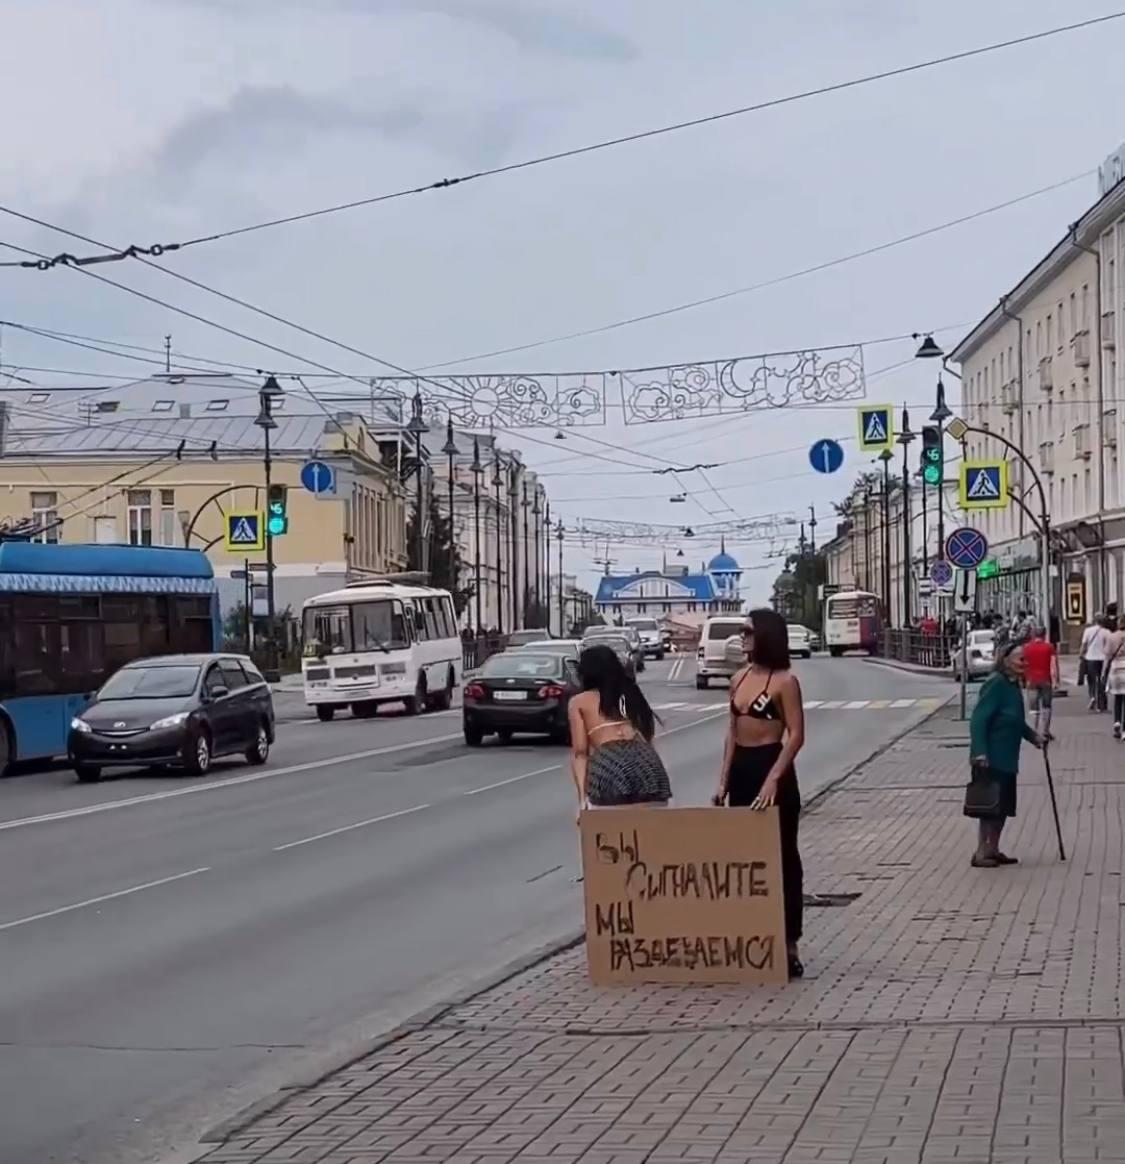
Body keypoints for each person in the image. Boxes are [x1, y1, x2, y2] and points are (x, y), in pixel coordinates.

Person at [712, 608, 806, 979]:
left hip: (772, 765)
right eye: (742, 631)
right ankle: (753, 937)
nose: (742, 637)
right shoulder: (738, 678)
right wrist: (723, 780)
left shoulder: (785, 682)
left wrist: (773, 779)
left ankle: (789, 942)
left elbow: (796, 735)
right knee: (747, 858)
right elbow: (731, 732)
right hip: (742, 769)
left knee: (783, 857)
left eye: (748, 631)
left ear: (765, 635)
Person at [569, 643, 670, 818]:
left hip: (609, 763)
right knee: (650, 827)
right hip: (647, 763)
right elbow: (648, 737)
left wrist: (582, 801)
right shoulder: (632, 693)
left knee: (611, 828)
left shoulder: (579, 702)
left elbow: (580, 754)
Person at [968, 643, 1043, 867]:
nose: (1024, 663)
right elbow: (979, 719)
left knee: (1002, 807)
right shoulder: (996, 684)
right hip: (991, 756)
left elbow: (1015, 720)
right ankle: (981, 852)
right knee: (989, 807)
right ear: (1006, 660)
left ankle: (993, 849)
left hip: (1008, 757)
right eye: (1021, 659)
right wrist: (980, 751)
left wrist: (1034, 737)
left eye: (1025, 660)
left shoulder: (1012, 685)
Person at [1022, 625, 1058, 742]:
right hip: (1046, 680)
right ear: (1044, 634)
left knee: (1033, 708)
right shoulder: (1049, 647)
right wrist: (1055, 680)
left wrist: (1024, 678)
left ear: (1033, 634)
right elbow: (1053, 665)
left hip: (1031, 680)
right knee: (1047, 706)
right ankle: (1045, 731)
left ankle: (1034, 732)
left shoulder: (1026, 648)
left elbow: (1023, 664)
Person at [1080, 613, 1110, 711]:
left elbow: (1084, 645)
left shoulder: (1088, 631)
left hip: (1090, 658)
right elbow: (1109, 646)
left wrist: (1081, 654)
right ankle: (1102, 704)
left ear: (1094, 620)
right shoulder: (1107, 632)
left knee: (1092, 679)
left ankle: (1092, 696)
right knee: (1102, 680)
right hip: (1103, 659)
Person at [1105, 617, 1125, 738]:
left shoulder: (1111, 637)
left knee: (1118, 697)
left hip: (1116, 669)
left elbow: (1107, 655)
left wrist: (1104, 672)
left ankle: (1117, 721)